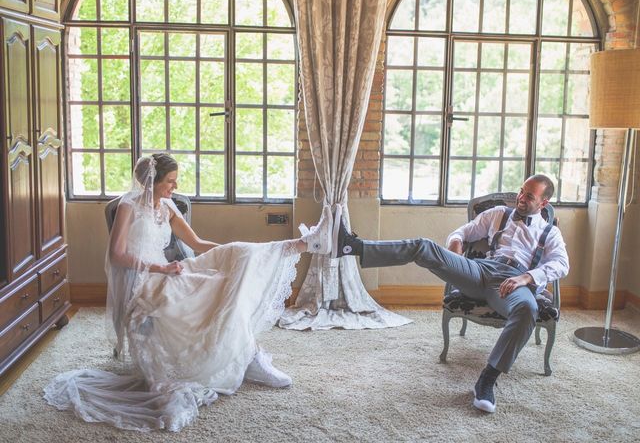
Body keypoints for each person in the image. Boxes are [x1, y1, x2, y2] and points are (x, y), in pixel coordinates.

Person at [44, 153, 334, 432]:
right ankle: (248, 356)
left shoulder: (168, 207)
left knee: (237, 258)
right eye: (170, 181)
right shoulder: (128, 207)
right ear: (151, 182)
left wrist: (227, 253)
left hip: (171, 270)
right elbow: (117, 255)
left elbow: (196, 243)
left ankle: (304, 244)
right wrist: (160, 268)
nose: (176, 186)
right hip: (146, 280)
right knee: (216, 286)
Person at [331, 174, 569, 413]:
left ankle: (487, 379)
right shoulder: (498, 213)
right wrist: (456, 249)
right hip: (479, 270)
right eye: (521, 191)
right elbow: (461, 233)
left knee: (528, 308)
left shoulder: (550, 233)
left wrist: (527, 277)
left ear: (543, 203)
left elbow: (561, 264)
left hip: (513, 283)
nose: (521, 198)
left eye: (529, 196)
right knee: (424, 246)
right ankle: (352, 246)